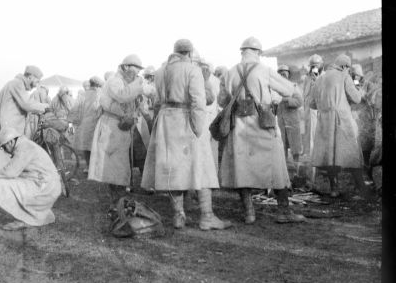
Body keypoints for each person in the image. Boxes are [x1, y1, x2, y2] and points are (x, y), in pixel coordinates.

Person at [142, 40, 230, 230]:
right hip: (186, 119)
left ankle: (178, 215)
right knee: (203, 166)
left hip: (166, 121)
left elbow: (157, 99)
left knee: (174, 169)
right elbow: (198, 101)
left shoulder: (160, 71)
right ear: (189, 53)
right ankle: (207, 216)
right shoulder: (192, 70)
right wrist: (199, 129)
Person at [218, 37, 305, 224]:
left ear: (242, 51)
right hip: (262, 121)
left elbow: (221, 101)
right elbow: (289, 90)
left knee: (241, 167)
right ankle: (284, 211)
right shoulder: (264, 70)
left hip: (238, 124)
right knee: (277, 164)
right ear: (258, 52)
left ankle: (249, 212)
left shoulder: (229, 72)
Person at [309, 54, 370, 199]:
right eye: (348, 68)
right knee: (351, 152)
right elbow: (356, 98)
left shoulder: (319, 78)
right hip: (341, 119)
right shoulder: (344, 76)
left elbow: (312, 104)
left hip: (324, 120)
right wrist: (358, 88)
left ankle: (334, 189)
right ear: (344, 66)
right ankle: (361, 189)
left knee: (330, 155)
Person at [88, 55, 146, 206]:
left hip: (120, 127)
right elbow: (122, 96)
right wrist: (138, 85)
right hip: (111, 126)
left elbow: (130, 99)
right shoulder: (114, 80)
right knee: (115, 167)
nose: (137, 73)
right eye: (136, 69)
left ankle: (120, 202)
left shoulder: (124, 81)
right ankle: (118, 204)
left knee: (119, 166)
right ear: (125, 67)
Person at [0, 127, 61, 231]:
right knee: (8, 181)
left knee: (1, 183)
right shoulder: (24, 144)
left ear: (10, 142)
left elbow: (11, 172)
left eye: (4, 147)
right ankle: (36, 215)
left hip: (46, 187)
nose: (5, 151)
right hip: (47, 184)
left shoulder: (24, 147)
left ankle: (25, 220)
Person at [0, 66, 50, 168]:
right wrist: (45, 107)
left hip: (8, 126)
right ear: (30, 77)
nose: (37, 84)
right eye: (37, 80)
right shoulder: (17, 84)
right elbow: (26, 104)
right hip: (7, 127)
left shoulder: (15, 84)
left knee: (9, 161)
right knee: (6, 162)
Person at [68, 76, 103, 171]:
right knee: (96, 146)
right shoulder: (99, 94)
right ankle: (96, 168)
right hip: (96, 124)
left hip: (84, 124)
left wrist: (73, 123)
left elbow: (75, 109)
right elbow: (100, 109)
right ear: (97, 86)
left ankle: (88, 167)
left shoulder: (82, 95)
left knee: (86, 147)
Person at [276, 64, 303, 166]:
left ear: (288, 75)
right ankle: (285, 168)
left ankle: (297, 167)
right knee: (282, 145)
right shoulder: (275, 88)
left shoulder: (293, 86)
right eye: (280, 74)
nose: (282, 76)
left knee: (295, 146)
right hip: (281, 121)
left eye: (284, 73)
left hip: (292, 120)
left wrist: (286, 100)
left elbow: (300, 101)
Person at [302, 54, 324, 157]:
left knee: (315, 134)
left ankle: (315, 156)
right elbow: (304, 94)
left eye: (316, 66)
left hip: (317, 110)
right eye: (312, 66)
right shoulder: (307, 78)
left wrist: (317, 80)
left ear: (321, 66)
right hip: (307, 110)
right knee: (307, 133)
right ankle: (308, 154)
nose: (314, 68)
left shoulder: (324, 77)